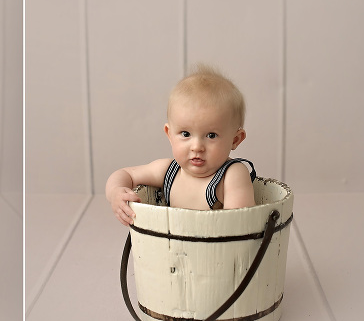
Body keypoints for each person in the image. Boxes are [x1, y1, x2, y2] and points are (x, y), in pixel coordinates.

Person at [106, 64, 255, 226]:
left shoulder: (232, 175)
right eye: (186, 134)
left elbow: (238, 225)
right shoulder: (169, 171)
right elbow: (125, 174)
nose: (197, 146)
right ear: (170, 135)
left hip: (216, 250)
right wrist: (116, 192)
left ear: (235, 140)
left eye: (211, 135)